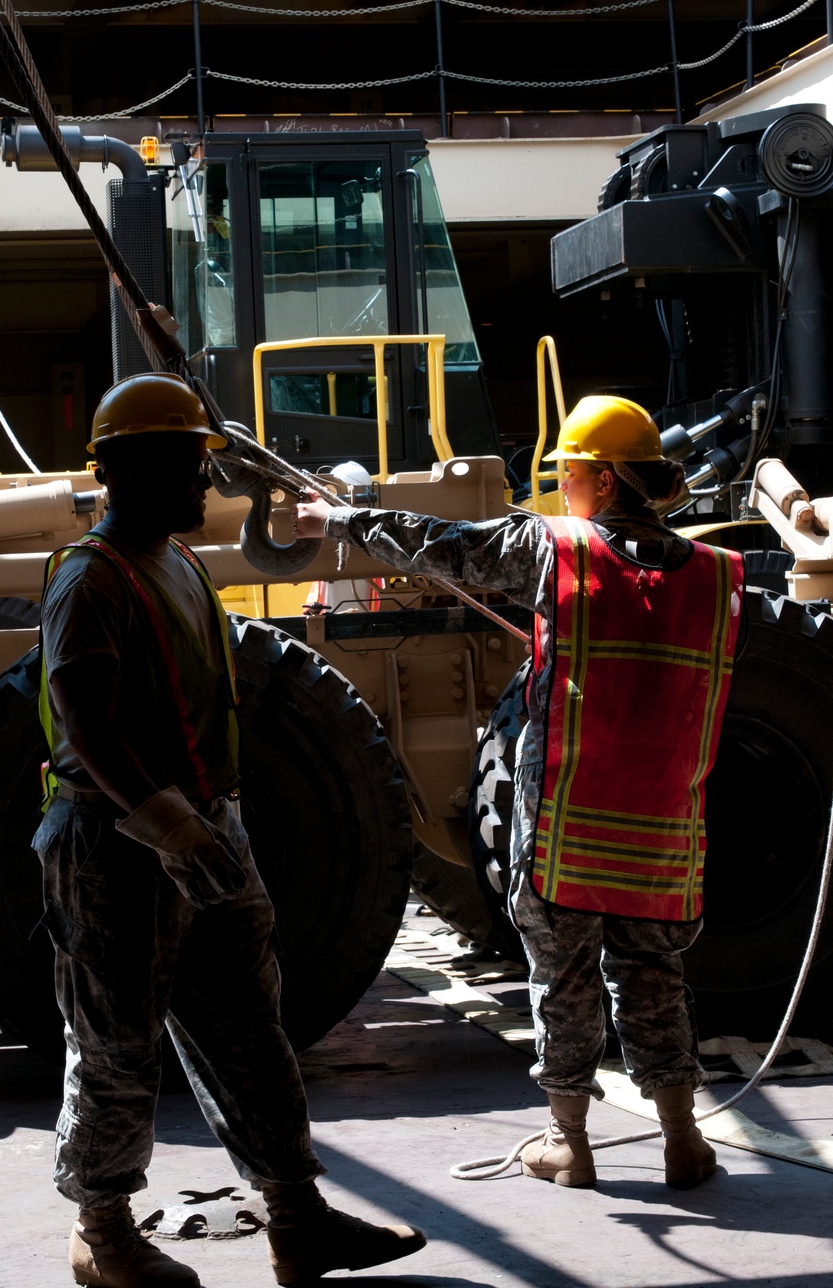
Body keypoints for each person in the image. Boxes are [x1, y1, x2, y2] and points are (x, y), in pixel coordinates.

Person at [33, 372, 426, 1288]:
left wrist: (213, 833)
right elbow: (86, 723)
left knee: (250, 1033)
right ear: (129, 470)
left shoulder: (181, 564)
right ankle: (104, 1234)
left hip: (206, 833)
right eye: (189, 464)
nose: (207, 485)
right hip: (118, 848)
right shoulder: (89, 581)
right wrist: (174, 831)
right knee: (117, 1044)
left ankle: (298, 1218)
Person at [294, 395, 743, 1192]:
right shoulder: (717, 579)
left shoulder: (559, 553)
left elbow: (447, 547)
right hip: (665, 832)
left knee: (563, 974)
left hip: (569, 822)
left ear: (602, 482)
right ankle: (684, 1141)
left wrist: (340, 521)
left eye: (568, 475)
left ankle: (568, 1141)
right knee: (654, 977)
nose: (562, 491)